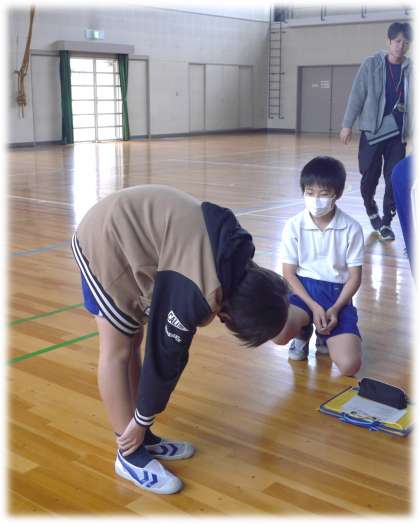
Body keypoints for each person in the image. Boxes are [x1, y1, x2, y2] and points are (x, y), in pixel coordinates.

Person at [71, 184, 289, 495]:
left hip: (126, 231)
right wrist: (143, 417)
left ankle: (141, 437)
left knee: (134, 339)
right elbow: (167, 355)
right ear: (230, 316)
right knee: (117, 349)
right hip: (104, 242)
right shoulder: (197, 287)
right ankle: (128, 453)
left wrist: (144, 420)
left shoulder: (236, 255)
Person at [273, 157, 364, 377]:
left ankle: (325, 334)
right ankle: (302, 329)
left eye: (323, 194)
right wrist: (313, 307)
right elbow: (288, 273)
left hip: (337, 295)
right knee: (277, 333)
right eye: (309, 192)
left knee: (350, 366)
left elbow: (355, 277)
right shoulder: (294, 225)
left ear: (337, 194)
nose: (315, 199)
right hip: (303, 291)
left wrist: (335, 308)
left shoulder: (351, 228)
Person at [340, 21, 412, 242]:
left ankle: (387, 223)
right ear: (389, 41)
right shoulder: (371, 64)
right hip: (372, 132)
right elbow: (357, 95)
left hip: (397, 136)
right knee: (369, 177)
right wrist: (347, 124)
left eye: (405, 42)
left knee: (394, 179)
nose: (401, 46)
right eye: (397, 41)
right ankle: (371, 210)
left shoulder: (412, 70)